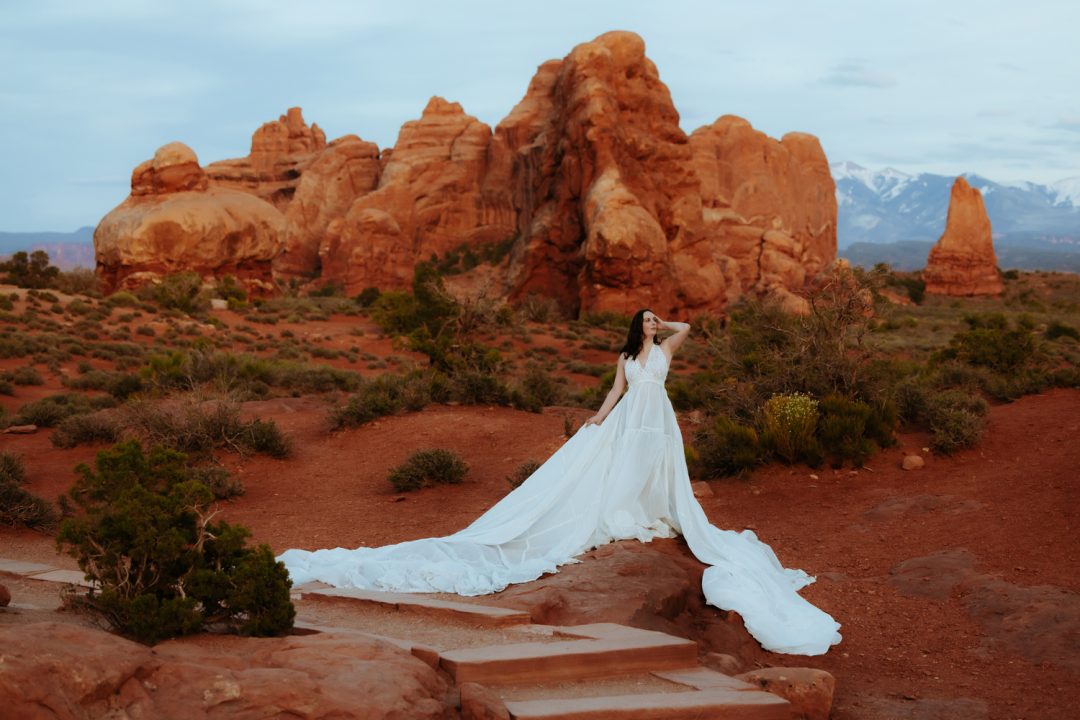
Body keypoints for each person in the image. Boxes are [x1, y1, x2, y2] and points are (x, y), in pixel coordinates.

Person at [278, 309, 841, 655]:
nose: (649, 327)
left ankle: (656, 509)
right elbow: (615, 394)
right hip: (628, 421)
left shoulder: (666, 347)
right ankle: (627, 512)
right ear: (632, 329)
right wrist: (596, 421)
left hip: (660, 424)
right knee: (619, 473)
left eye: (651, 322)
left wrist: (661, 324)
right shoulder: (626, 356)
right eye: (644, 321)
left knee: (660, 470)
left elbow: (688, 328)